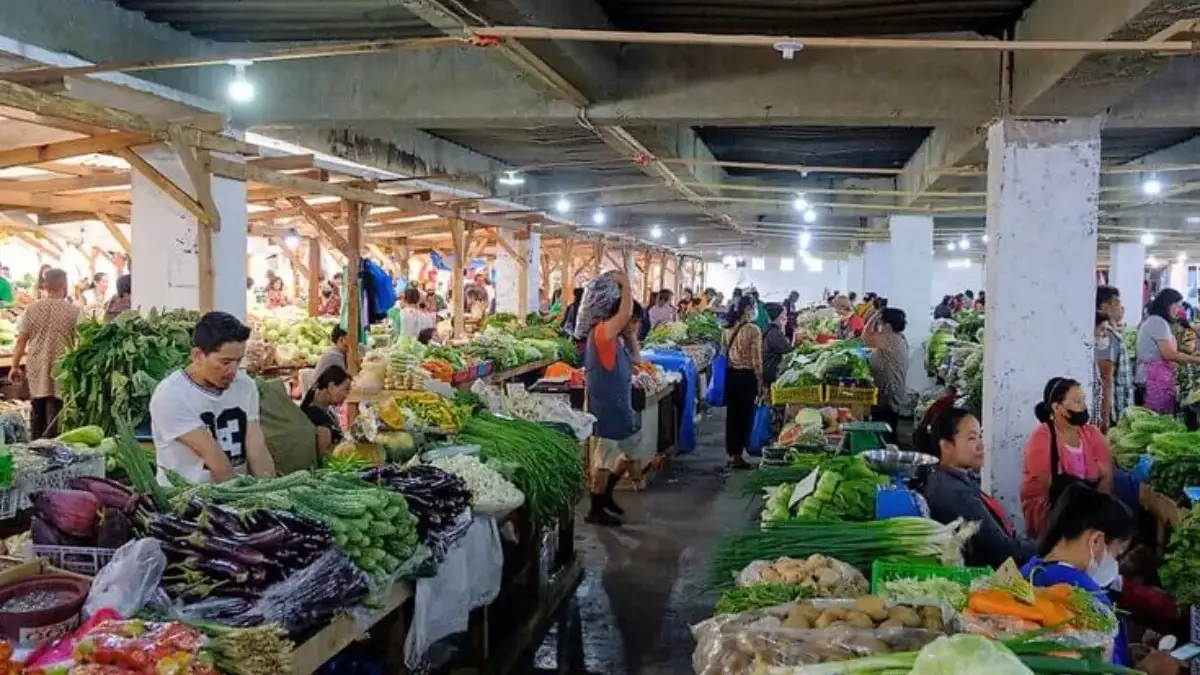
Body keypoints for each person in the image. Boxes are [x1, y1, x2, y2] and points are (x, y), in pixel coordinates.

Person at [149, 311, 276, 485]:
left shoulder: (245, 385)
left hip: (236, 490)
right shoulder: (171, 396)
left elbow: (257, 449)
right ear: (198, 356)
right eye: (225, 362)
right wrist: (244, 497)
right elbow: (216, 461)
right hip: (185, 496)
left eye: (238, 361)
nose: (232, 370)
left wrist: (272, 489)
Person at [1019, 484, 1135, 667]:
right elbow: (1108, 664)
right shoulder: (1086, 595)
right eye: (1116, 554)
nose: (1115, 563)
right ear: (1096, 541)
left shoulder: (1030, 569)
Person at [919, 407, 1036, 568]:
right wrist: (1048, 545)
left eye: (980, 436)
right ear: (946, 445)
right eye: (972, 438)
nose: (980, 445)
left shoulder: (951, 479)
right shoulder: (955, 493)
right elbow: (1003, 551)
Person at [1021, 376, 1115, 540]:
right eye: (1077, 402)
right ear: (1057, 408)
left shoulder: (1092, 434)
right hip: (1053, 512)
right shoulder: (1042, 437)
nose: (1084, 407)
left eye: (1084, 400)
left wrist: (1096, 514)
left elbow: (1106, 478)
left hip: (1089, 509)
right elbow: (1048, 484)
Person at [584, 271, 642, 527]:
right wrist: (625, 282)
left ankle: (606, 495)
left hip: (619, 407)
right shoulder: (602, 334)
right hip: (604, 408)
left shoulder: (617, 340)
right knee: (603, 460)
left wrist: (631, 335)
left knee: (628, 452)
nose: (634, 325)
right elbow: (625, 312)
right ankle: (595, 508)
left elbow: (637, 360)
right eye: (633, 321)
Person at [9, 268, 81, 438]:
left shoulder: (31, 309)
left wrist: (14, 366)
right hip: (61, 367)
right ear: (64, 284)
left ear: (45, 285)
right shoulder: (74, 311)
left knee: (37, 407)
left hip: (36, 366)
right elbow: (83, 341)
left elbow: (21, 340)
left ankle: (35, 445)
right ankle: (52, 445)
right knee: (56, 409)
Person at [1135, 288, 1200, 413]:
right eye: (1177, 305)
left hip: (1155, 376)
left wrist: (1191, 356)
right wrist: (1195, 360)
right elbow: (1169, 354)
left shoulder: (1157, 321)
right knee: (1154, 416)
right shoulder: (1157, 322)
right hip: (1153, 378)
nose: (1179, 310)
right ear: (1168, 305)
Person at [723, 295, 763, 470]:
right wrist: (760, 380)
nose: (755, 311)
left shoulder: (727, 329)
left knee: (732, 416)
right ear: (747, 309)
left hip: (731, 375)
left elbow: (724, 352)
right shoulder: (753, 330)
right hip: (747, 376)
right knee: (745, 416)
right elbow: (756, 359)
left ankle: (733, 453)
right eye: (753, 307)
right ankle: (739, 455)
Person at [865, 308, 908, 439]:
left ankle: (889, 447)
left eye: (880, 323)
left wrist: (874, 317)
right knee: (886, 427)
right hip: (890, 390)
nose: (879, 326)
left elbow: (865, 337)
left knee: (886, 430)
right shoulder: (897, 337)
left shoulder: (890, 339)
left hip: (889, 392)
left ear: (888, 325)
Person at [1095, 286, 1131, 432]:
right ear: (1105, 307)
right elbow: (1105, 377)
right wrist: (1105, 417)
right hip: (1112, 407)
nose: (1121, 308)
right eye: (1117, 303)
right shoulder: (1106, 335)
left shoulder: (1110, 333)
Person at [301, 364, 352, 457]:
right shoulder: (314, 416)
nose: (347, 395)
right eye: (346, 389)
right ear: (331, 387)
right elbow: (325, 458)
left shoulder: (325, 409)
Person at [762, 302, 793, 388]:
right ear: (778, 316)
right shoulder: (775, 333)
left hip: (768, 370)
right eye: (784, 315)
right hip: (773, 373)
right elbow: (788, 351)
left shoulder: (769, 329)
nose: (786, 318)